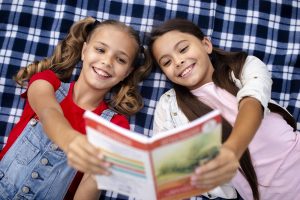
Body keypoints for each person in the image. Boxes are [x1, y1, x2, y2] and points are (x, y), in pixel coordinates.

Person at [148, 18, 300, 200]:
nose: (178, 61)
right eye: (166, 62)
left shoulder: (242, 66)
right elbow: (166, 168)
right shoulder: (168, 107)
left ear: (206, 44)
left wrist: (232, 150)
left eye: (183, 49)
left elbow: (253, 101)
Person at [0, 17, 151, 199]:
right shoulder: (47, 82)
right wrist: (70, 140)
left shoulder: (115, 126)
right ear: (84, 51)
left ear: (127, 72)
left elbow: (89, 188)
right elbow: (49, 112)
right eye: (100, 50)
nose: (107, 61)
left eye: (120, 59)